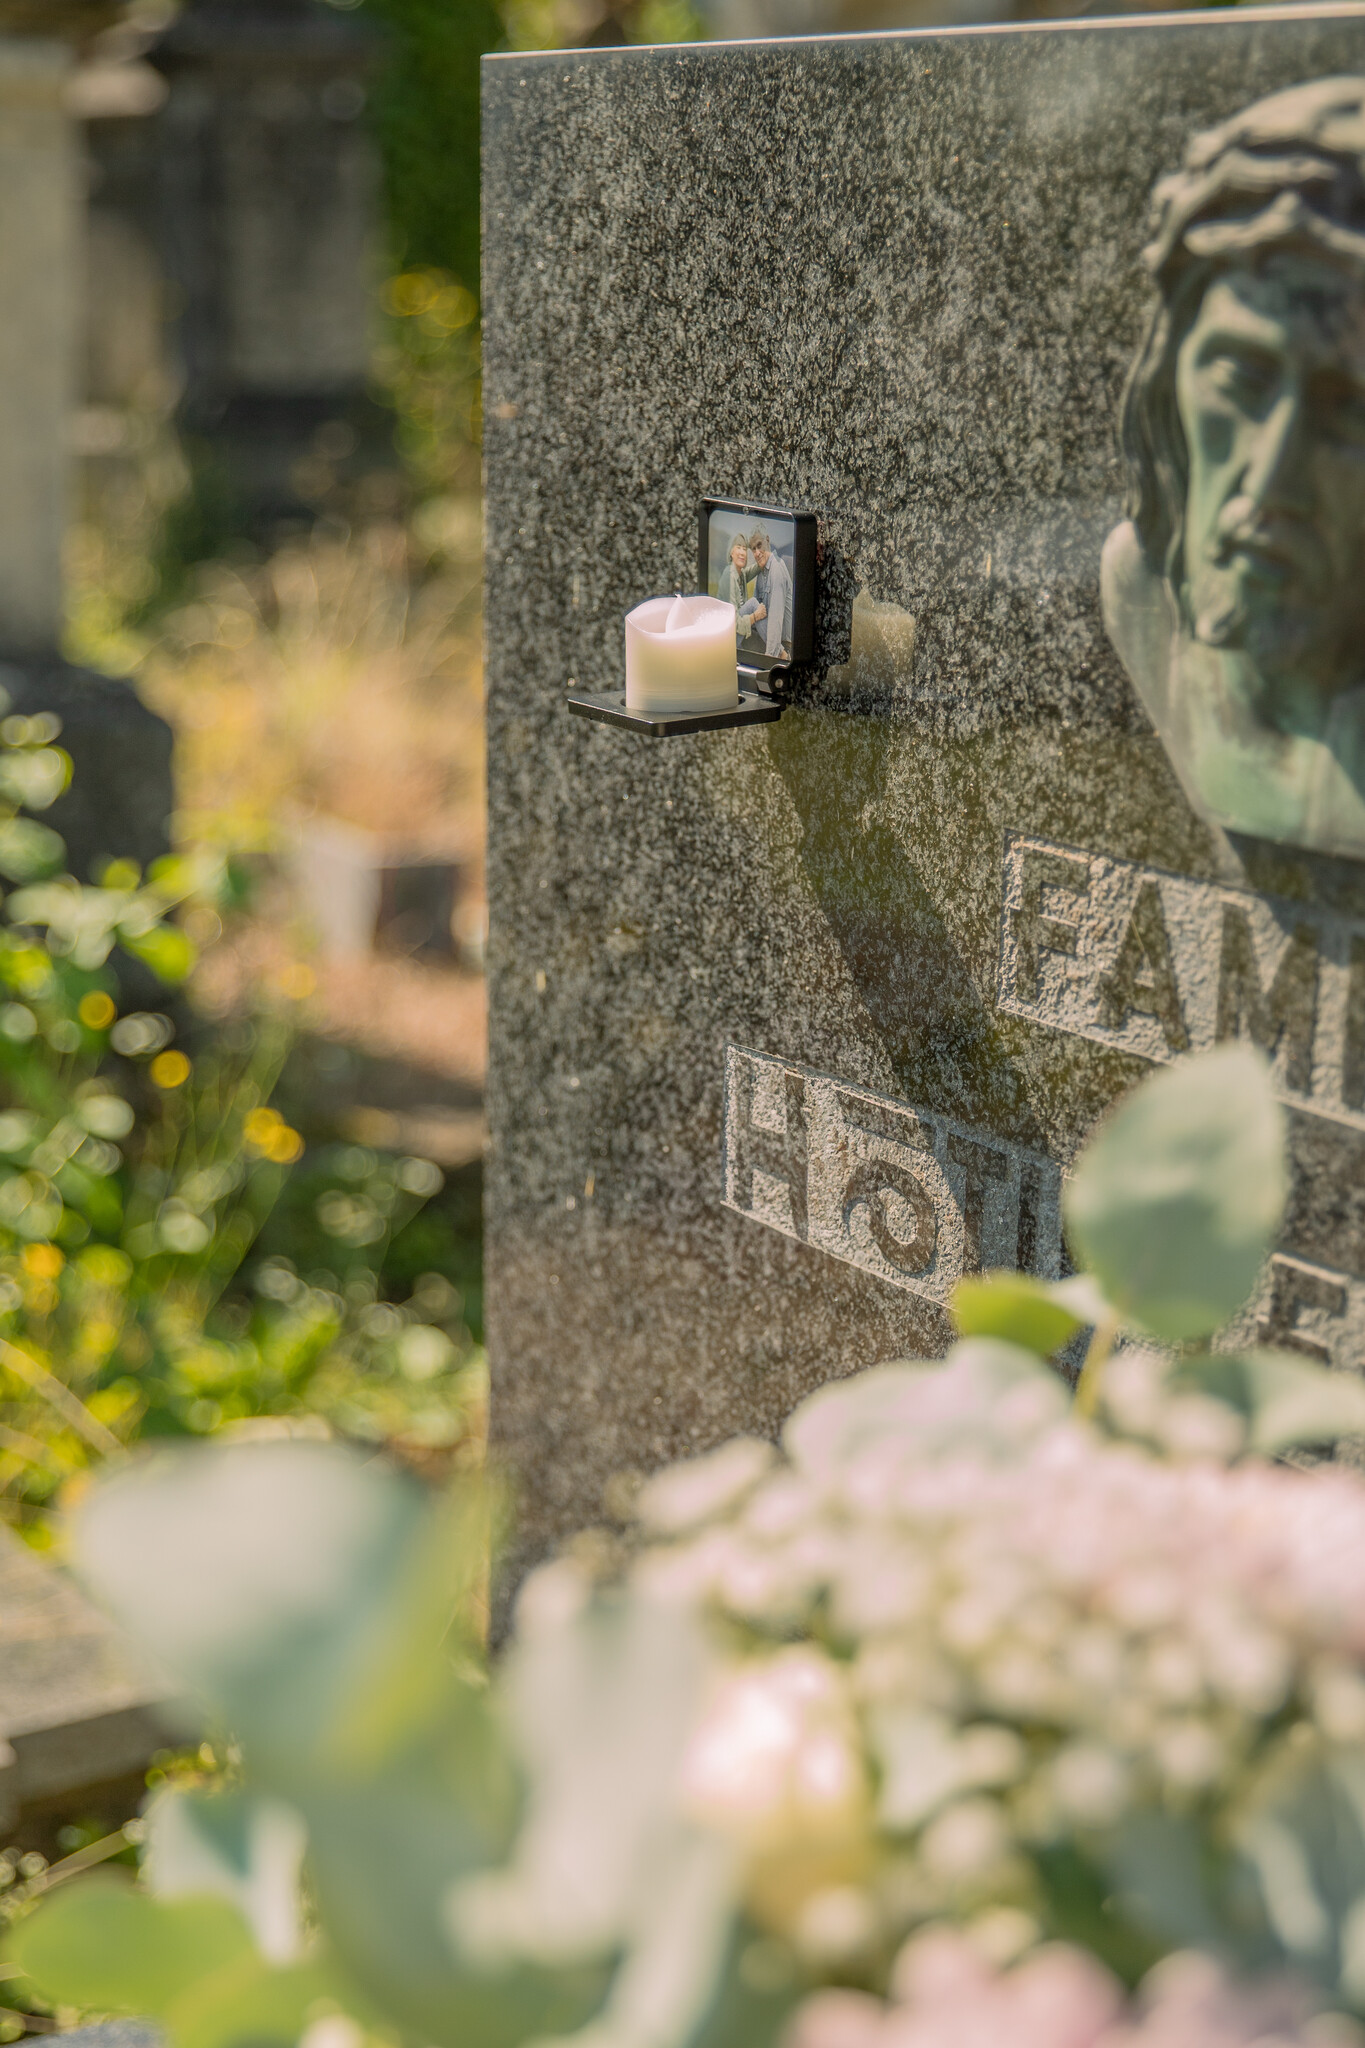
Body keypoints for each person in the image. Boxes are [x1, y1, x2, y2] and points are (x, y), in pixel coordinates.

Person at [1102, 77, 1365, 859]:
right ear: (1166, 373)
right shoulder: (1140, 590)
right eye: (1241, 379)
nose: (1269, 476)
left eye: (1347, 408)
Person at [744, 526, 793, 662]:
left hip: (783, 646)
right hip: (767, 637)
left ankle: (781, 654)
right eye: (753, 549)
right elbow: (758, 608)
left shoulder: (776, 570)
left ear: (767, 540)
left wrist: (769, 659)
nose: (757, 553)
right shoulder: (762, 571)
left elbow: (775, 620)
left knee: (753, 606)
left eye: (759, 546)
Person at [717, 533, 752, 644]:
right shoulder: (729, 575)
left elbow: (755, 568)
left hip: (737, 629)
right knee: (754, 604)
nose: (742, 552)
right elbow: (734, 622)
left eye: (744, 549)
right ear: (731, 552)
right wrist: (754, 617)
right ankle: (777, 652)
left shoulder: (741, 574)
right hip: (728, 637)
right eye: (738, 548)